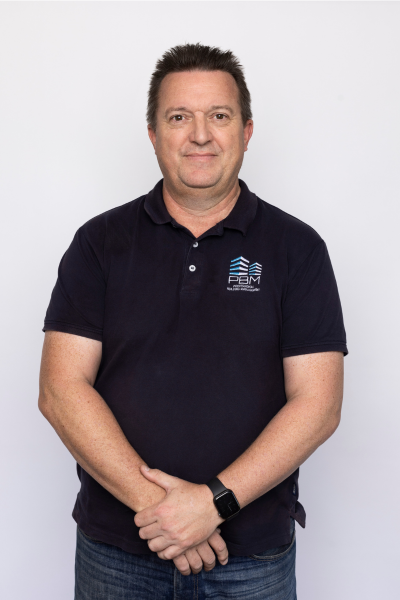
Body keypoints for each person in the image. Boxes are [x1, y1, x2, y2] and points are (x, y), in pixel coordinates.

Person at [39, 43, 348, 600]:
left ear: (246, 131)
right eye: (179, 117)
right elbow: (61, 390)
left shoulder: (297, 249)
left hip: (250, 560)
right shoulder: (99, 243)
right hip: (118, 553)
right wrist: (164, 512)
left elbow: (318, 405)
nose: (200, 135)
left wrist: (213, 504)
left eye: (219, 116)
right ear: (153, 134)